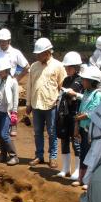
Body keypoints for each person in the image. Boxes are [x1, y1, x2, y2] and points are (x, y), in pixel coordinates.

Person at [25, 37, 66, 168]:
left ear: (48, 52)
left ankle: (53, 157)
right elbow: (30, 85)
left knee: (52, 132)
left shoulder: (58, 66)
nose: (37, 56)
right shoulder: (34, 66)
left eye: (39, 53)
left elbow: (62, 87)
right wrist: (28, 104)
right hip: (36, 104)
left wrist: (61, 105)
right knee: (37, 132)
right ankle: (39, 155)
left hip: (51, 105)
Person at [0, 28, 29, 139]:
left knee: (10, 103)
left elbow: (26, 67)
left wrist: (16, 79)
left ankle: (12, 125)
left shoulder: (15, 53)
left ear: (9, 41)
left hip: (8, 82)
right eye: (0, 41)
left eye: (4, 41)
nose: (2, 43)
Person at [70, 66, 101, 189]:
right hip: (83, 129)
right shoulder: (86, 93)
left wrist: (78, 118)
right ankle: (81, 178)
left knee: (91, 154)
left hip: (91, 129)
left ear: (92, 81)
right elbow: (81, 109)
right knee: (83, 153)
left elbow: (92, 111)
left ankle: (89, 180)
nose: (82, 82)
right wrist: (77, 125)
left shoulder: (97, 94)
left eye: (84, 80)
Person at [56, 52, 84, 180]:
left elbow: (76, 95)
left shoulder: (80, 80)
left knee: (76, 141)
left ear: (76, 67)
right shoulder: (67, 79)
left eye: (69, 67)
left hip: (75, 114)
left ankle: (78, 170)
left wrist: (71, 94)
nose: (67, 69)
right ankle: (66, 168)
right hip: (65, 113)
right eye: (66, 67)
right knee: (64, 139)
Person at [0, 57, 19, 166]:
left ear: (7, 70)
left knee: (4, 134)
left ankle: (14, 156)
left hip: (6, 113)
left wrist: (14, 113)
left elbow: (15, 99)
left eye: (1, 71)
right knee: (0, 134)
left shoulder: (13, 82)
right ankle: (3, 155)